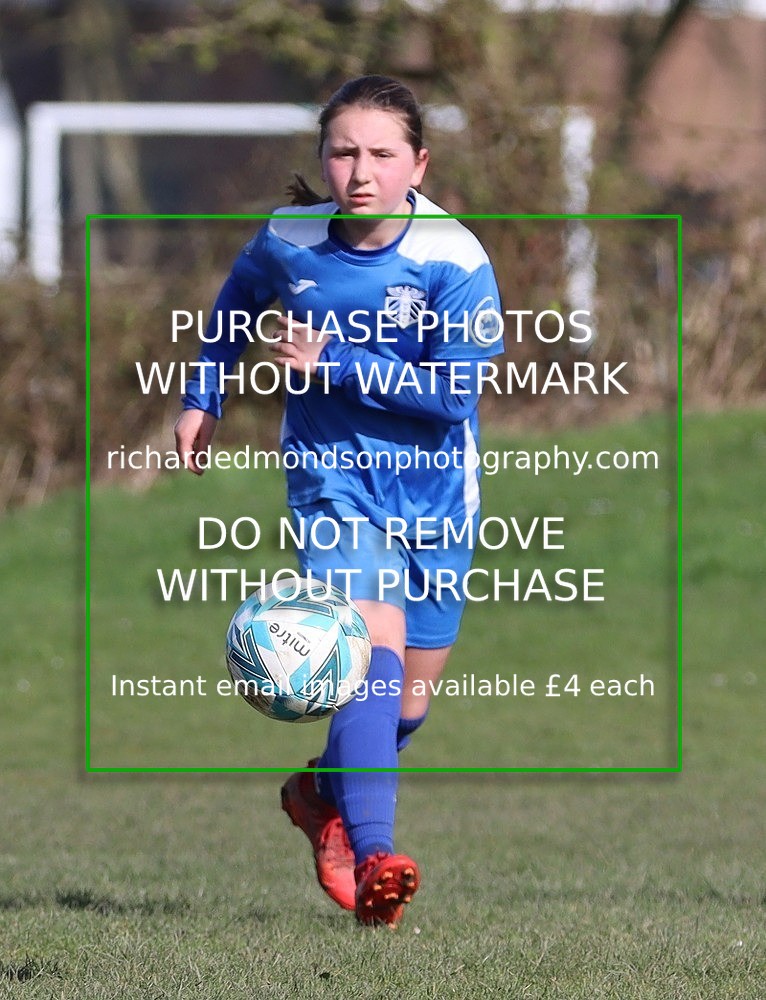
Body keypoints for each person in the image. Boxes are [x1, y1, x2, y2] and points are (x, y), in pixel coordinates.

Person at [174, 75, 503, 928]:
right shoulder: (292, 237)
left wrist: (338, 365)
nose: (360, 170)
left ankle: (320, 791)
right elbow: (238, 300)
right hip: (332, 477)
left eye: (381, 153)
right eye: (343, 151)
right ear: (323, 158)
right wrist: (203, 394)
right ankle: (374, 853)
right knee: (368, 647)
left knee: (407, 707)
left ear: (417, 163)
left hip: (433, 491)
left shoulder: (454, 260)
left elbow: (454, 399)